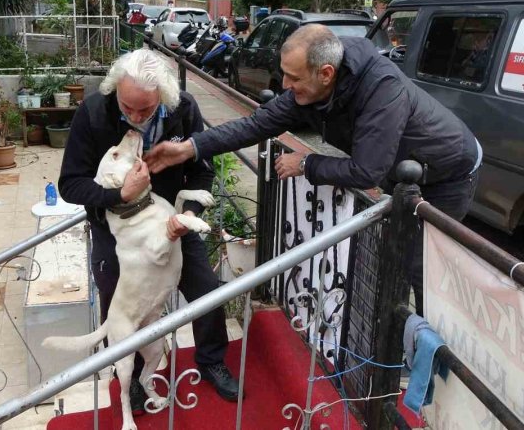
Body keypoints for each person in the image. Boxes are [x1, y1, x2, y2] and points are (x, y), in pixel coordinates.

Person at [145, 24, 482, 314]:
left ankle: (427, 353)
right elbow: (254, 125)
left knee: (417, 266)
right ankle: (392, 339)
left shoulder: (381, 89)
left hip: (447, 173)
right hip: (403, 172)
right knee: (391, 257)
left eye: (294, 77)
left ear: (326, 74)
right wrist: (188, 148)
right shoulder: (309, 89)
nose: (285, 86)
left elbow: (366, 171)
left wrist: (306, 163)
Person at [58, 49, 240, 412]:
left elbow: (202, 172)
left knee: (206, 289)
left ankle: (211, 360)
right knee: (120, 303)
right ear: (116, 93)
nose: (136, 117)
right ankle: (133, 378)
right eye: (128, 108)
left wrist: (185, 213)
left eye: (146, 110)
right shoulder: (94, 112)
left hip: (170, 218)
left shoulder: (183, 109)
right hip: (118, 231)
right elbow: (70, 184)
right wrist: (118, 194)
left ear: (164, 97)